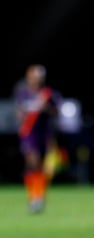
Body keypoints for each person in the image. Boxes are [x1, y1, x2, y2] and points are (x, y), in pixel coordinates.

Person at [12, 64, 61, 213]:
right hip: (28, 134)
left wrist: (46, 108)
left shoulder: (49, 93)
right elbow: (19, 113)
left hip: (44, 135)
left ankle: (38, 195)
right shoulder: (23, 94)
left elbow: (56, 113)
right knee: (33, 161)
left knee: (42, 167)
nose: (37, 80)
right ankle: (35, 196)